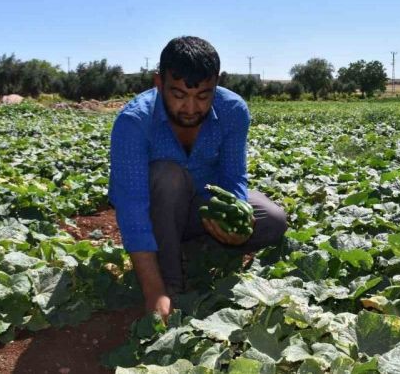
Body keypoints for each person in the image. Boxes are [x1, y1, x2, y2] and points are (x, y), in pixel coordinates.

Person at [108, 36, 287, 320]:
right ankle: (170, 282)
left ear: (217, 83)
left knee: (272, 220)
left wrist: (236, 214)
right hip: (158, 210)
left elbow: (234, 176)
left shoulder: (233, 110)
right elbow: (131, 208)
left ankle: (194, 247)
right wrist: (154, 291)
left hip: (204, 206)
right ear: (159, 83)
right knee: (168, 176)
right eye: (178, 95)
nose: (191, 108)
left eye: (203, 96)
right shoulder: (134, 121)